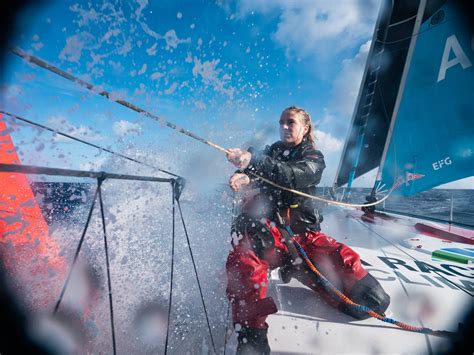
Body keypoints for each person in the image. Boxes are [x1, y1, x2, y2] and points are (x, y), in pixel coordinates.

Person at [225, 106, 390, 354]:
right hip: (270, 236)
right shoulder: (272, 151)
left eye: (290, 122)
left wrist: (253, 163)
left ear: (305, 128)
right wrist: (243, 174)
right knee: (244, 263)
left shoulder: (314, 158)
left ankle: (303, 271)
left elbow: (293, 174)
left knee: (373, 301)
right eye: (281, 122)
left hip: (304, 237)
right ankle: (253, 337)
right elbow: (256, 162)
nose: (283, 127)